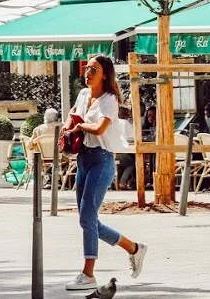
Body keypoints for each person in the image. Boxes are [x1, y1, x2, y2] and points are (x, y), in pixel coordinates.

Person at [63, 55, 146, 292]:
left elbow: (100, 128)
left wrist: (79, 126)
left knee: (88, 218)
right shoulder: (83, 94)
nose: (88, 72)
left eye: (94, 69)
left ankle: (88, 274)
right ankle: (134, 248)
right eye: (87, 68)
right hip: (83, 159)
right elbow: (72, 112)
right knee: (86, 219)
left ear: (105, 75)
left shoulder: (109, 99)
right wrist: (68, 125)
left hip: (101, 160)